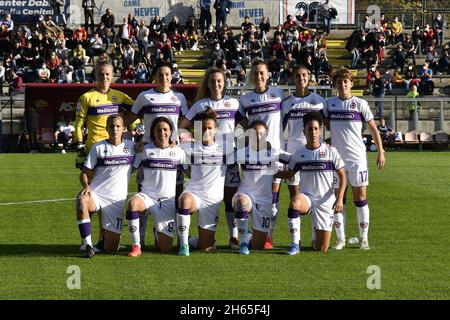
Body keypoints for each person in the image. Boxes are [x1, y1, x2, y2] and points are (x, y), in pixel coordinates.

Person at [123, 62, 188, 249]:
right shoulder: (145, 96)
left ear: (172, 76)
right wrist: (130, 140)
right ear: (155, 76)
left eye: (168, 74)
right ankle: (139, 240)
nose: (165, 78)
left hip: (171, 154)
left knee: (175, 194)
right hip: (149, 154)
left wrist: (180, 137)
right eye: (161, 74)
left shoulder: (179, 97)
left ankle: (172, 231)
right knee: (143, 191)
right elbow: (129, 119)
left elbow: (185, 122)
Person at [322, 67, 385, 251]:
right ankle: (340, 239)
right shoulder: (329, 104)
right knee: (337, 199)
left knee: (361, 197)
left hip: (357, 157)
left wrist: (381, 150)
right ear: (335, 85)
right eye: (339, 82)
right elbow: (323, 123)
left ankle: (363, 238)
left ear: (350, 84)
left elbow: (373, 128)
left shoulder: (360, 104)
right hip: (336, 160)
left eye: (346, 82)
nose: (343, 85)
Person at [73, 62, 134, 250]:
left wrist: (136, 127)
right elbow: (78, 124)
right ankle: (88, 240)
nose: (105, 78)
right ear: (95, 76)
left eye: (108, 74)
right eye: (101, 74)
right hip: (95, 151)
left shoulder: (119, 96)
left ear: (112, 75)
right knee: (89, 193)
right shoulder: (86, 97)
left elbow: (136, 111)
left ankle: (102, 239)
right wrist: (79, 146)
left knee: (106, 193)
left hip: (115, 148)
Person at [179, 67, 241, 250]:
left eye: (219, 81)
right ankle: (188, 236)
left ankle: (234, 237)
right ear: (207, 83)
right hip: (206, 158)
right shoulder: (200, 105)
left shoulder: (233, 103)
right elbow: (182, 126)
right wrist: (190, 140)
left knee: (230, 198)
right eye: (212, 81)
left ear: (224, 83)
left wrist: (239, 141)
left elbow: (245, 124)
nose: (216, 84)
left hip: (228, 157)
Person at [275, 112, 346, 253]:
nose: (313, 132)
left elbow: (343, 176)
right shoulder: (299, 154)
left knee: (321, 248)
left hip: (325, 202)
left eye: (315, 128)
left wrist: (339, 198)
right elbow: (289, 174)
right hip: (306, 198)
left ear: (320, 130)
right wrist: (269, 173)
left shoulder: (330, 152)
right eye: (309, 129)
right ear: (304, 131)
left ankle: (316, 233)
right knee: (295, 201)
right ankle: (295, 244)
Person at [237, 59, 286, 250]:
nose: (259, 76)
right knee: (252, 193)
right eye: (255, 73)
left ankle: (269, 237)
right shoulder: (245, 99)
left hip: (276, 154)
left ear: (268, 75)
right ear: (251, 76)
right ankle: (245, 232)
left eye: (262, 73)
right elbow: (241, 122)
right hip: (255, 156)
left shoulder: (278, 94)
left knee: (273, 200)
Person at [76, 115, 135, 258]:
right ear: (106, 129)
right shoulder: (98, 147)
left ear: (124, 128)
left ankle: (103, 242)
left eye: (118, 126)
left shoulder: (132, 147)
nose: (114, 129)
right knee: (82, 200)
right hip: (96, 194)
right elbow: (84, 173)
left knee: (111, 249)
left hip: (116, 201)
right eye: (111, 126)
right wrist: (86, 186)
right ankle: (87, 244)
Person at [177, 108, 234, 256]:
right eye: (203, 128)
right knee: (184, 201)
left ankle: (193, 240)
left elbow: (251, 150)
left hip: (212, 199)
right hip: (194, 193)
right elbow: (172, 152)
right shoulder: (187, 148)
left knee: (206, 247)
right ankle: (183, 245)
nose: (206, 131)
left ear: (216, 130)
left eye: (209, 128)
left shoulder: (227, 148)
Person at [125, 117, 186, 256]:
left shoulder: (178, 151)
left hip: (167, 200)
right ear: (153, 132)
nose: (162, 132)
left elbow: (190, 171)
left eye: (165, 129)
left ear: (171, 132)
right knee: (133, 204)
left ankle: (158, 232)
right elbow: (129, 169)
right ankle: (136, 246)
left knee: (165, 249)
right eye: (159, 129)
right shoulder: (144, 149)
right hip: (147, 196)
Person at [280, 65, 326, 249]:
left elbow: (329, 124)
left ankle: (316, 235)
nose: (301, 78)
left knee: (316, 196)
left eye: (304, 75)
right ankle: (296, 240)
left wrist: (327, 143)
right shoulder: (287, 103)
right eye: (298, 76)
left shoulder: (319, 101)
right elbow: (280, 130)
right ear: (293, 78)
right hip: (293, 156)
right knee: (295, 198)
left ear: (309, 77)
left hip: (314, 156)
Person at [233, 121, 291, 255]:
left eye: (261, 134)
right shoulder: (241, 152)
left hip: (264, 201)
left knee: (258, 246)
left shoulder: (274, 152)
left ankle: (247, 236)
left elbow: (294, 160)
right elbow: (223, 159)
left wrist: (323, 147)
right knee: (241, 202)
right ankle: (242, 244)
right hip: (245, 195)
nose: (258, 137)